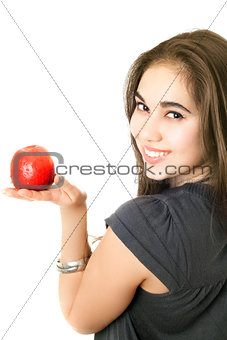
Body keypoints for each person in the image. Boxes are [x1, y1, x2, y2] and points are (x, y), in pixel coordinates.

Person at [2, 29, 227, 339]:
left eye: (174, 114)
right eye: (143, 107)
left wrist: (73, 212)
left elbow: (79, 317)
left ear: (219, 119)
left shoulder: (149, 224)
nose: (147, 131)